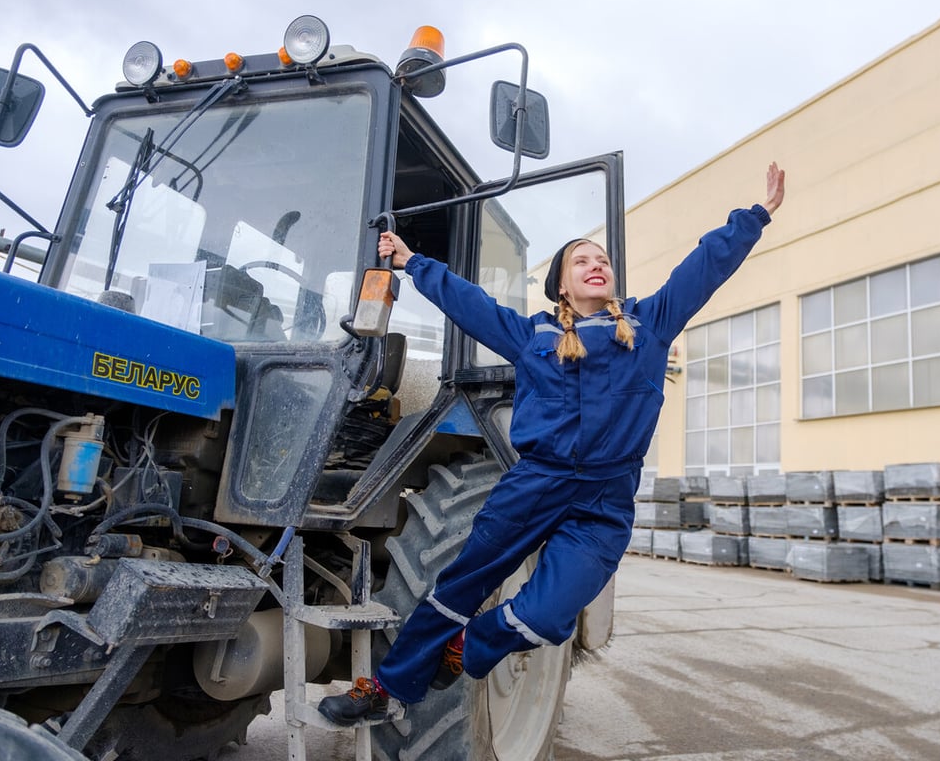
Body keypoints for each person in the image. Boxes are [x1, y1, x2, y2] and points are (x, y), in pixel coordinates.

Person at [318, 162, 786, 725]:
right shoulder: (533, 334)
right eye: (581, 260)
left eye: (603, 260)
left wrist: (755, 216)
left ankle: (469, 647)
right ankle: (386, 689)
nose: (596, 265)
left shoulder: (648, 325)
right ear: (562, 284)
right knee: (454, 589)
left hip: (604, 499)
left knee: (549, 615)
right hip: (535, 484)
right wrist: (412, 262)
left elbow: (702, 268)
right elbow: (470, 304)